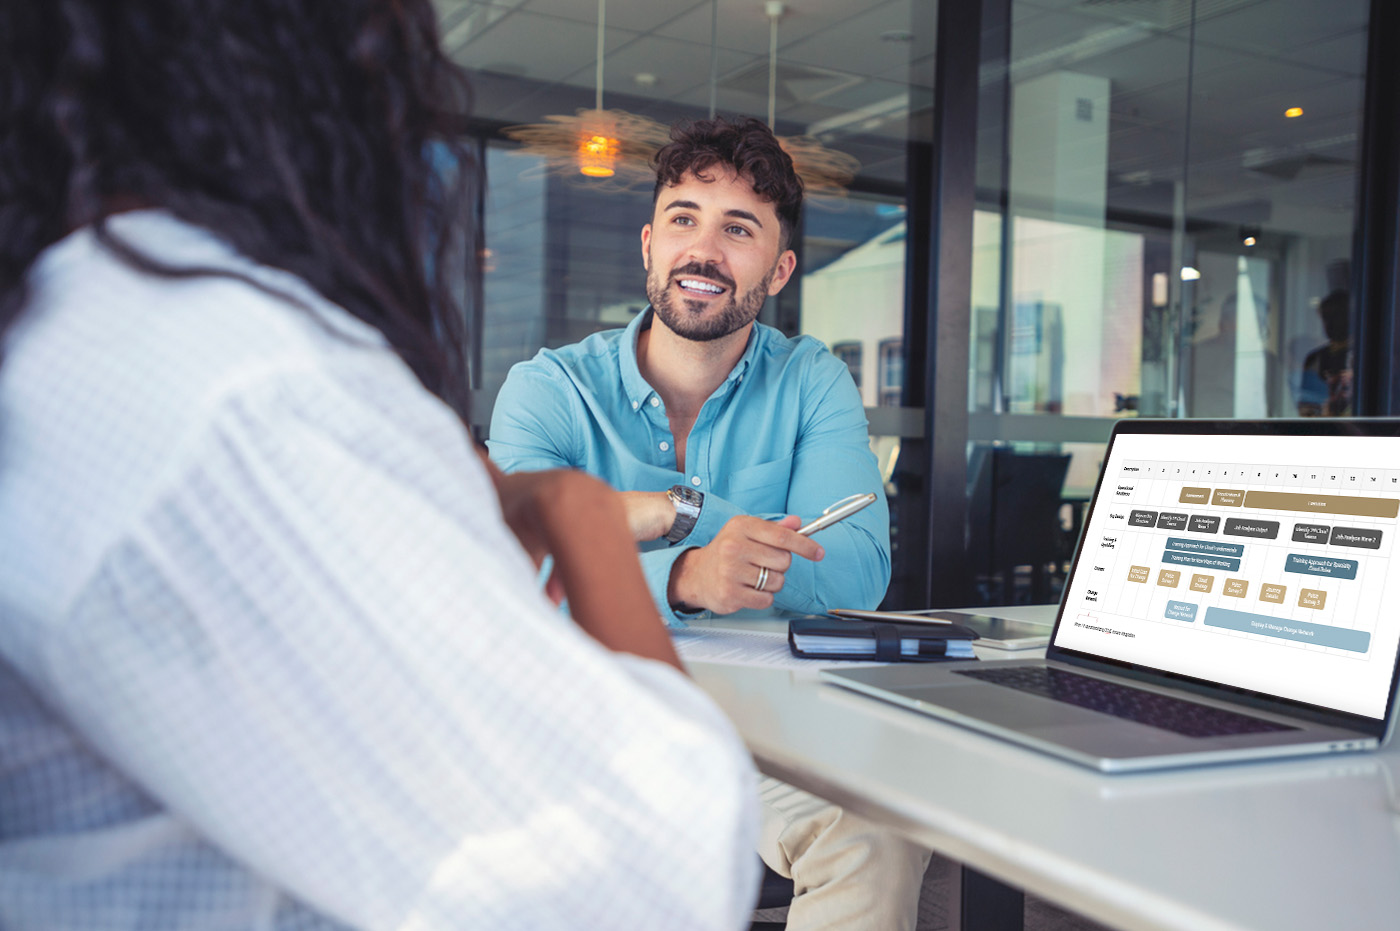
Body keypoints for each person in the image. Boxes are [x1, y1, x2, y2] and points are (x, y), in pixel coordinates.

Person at [0, 3, 759, 929]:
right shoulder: (244, 384)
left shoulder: (74, 325)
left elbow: (851, 559)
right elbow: (650, 870)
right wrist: (593, 526)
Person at [489, 117, 929, 930]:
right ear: (650, 244)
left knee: (875, 831)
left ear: (781, 267)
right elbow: (500, 575)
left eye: (739, 229)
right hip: (580, 718)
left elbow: (860, 567)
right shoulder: (548, 391)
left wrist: (671, 515)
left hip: (768, 727)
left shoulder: (810, 380)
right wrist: (687, 574)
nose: (704, 250)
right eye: (685, 219)